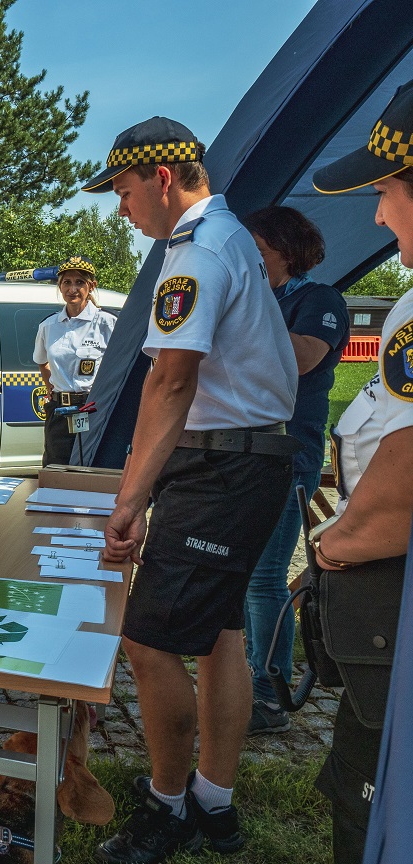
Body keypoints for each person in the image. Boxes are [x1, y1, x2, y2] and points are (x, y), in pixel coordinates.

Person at [87, 117, 298, 863]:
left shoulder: (196, 254)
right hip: (247, 462)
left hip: (222, 469)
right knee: (219, 635)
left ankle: (167, 805)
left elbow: (172, 380)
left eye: (122, 190)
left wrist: (131, 500)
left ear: (162, 179)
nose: (121, 209)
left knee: (147, 643)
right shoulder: (228, 238)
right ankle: (214, 797)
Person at [309, 79, 413, 864]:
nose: (379, 214)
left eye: (386, 190)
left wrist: (335, 546)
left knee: (368, 789)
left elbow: (404, 475)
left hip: (387, 579)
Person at [240, 206, 349, 735]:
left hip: (289, 456)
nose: (253, 261)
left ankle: (270, 695)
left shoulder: (319, 300)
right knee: (246, 576)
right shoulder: (263, 301)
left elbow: (302, 358)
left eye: (259, 251)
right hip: (248, 452)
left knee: (264, 578)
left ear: (287, 250)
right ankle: (249, 679)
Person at [33, 256, 117, 466]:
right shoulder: (48, 326)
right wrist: (50, 388)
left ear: (91, 286)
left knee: (94, 471)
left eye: (79, 282)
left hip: (94, 409)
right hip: (60, 412)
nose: (72, 289)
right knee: (56, 471)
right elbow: (42, 361)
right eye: (66, 282)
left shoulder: (107, 323)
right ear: (59, 286)